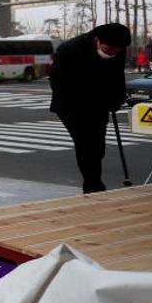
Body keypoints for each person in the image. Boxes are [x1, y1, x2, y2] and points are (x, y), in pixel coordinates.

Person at [49, 23, 131, 194]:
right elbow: (58, 81)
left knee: (98, 146)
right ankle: (93, 185)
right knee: (86, 143)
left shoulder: (117, 49)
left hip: (98, 102)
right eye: (108, 49)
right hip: (71, 104)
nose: (112, 53)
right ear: (96, 40)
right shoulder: (70, 50)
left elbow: (117, 75)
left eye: (116, 50)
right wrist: (83, 99)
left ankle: (93, 179)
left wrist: (117, 97)